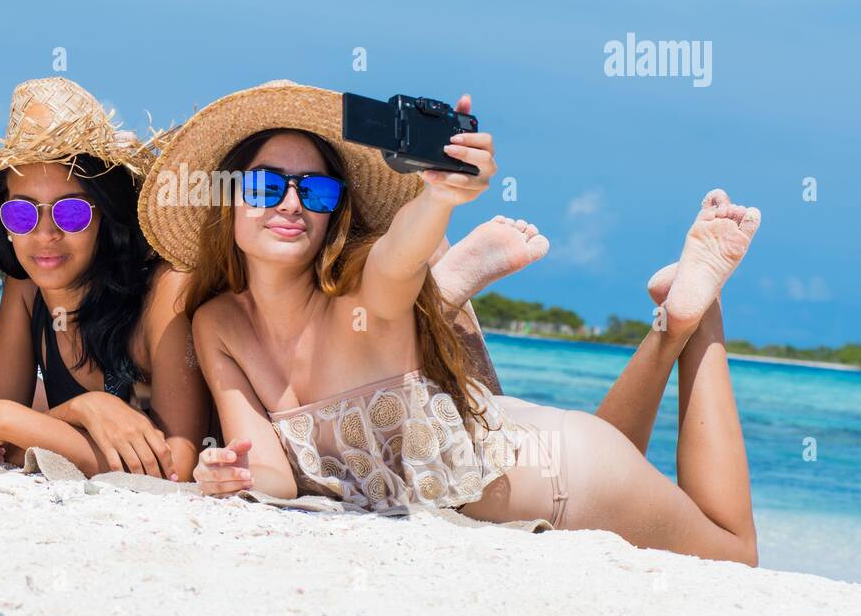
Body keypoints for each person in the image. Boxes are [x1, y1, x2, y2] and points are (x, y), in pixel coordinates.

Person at [138, 79, 760, 567]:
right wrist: (233, 473)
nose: (292, 203)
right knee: (625, 451)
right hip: (532, 447)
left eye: (317, 192)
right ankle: (671, 323)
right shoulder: (218, 323)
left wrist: (438, 198)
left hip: (569, 483)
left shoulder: (355, 291)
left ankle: (697, 317)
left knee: (736, 554)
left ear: (335, 214)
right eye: (267, 185)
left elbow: (398, 260)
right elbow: (269, 470)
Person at [0, 78, 209, 479]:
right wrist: (84, 408)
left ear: (107, 214)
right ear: (4, 224)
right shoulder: (28, 286)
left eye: (71, 212)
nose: (45, 234)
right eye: (22, 214)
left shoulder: (166, 288)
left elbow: (175, 464)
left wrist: (15, 424)